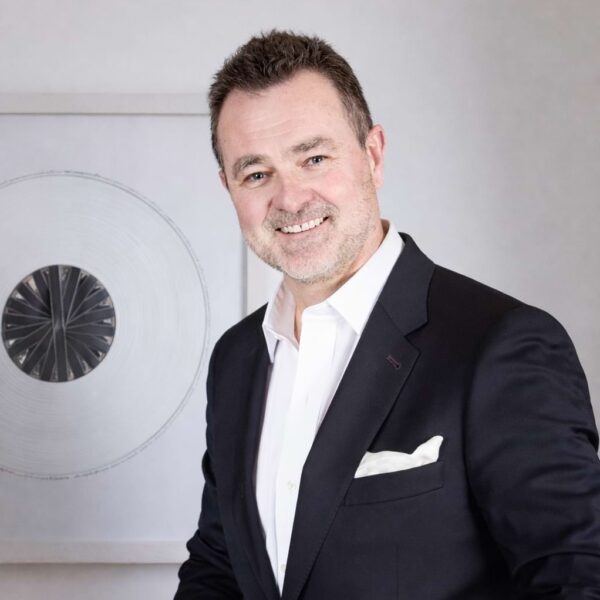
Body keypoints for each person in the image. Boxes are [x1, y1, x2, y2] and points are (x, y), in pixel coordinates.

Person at [175, 30, 600, 600]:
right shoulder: (237, 358)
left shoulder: (502, 346)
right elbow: (219, 567)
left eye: (314, 158)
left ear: (372, 156)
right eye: (256, 174)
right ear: (228, 187)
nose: (291, 199)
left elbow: (577, 577)